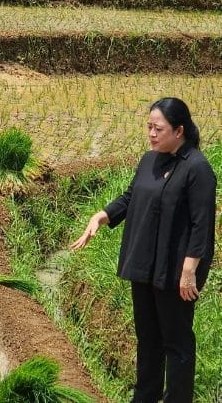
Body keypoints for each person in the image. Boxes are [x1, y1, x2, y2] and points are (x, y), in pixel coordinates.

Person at [71, 97, 215, 403]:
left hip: (177, 270)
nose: (151, 134)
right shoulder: (150, 160)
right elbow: (130, 197)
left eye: (157, 128)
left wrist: (189, 271)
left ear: (179, 130)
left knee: (176, 342)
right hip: (145, 263)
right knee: (148, 338)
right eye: (149, 127)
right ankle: (145, 397)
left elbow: (202, 224)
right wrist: (102, 215)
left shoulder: (197, 168)